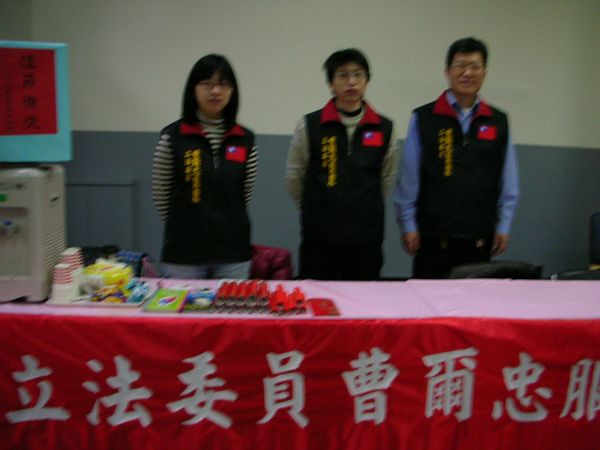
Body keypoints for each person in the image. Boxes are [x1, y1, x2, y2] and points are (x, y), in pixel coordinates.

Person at [394, 37, 520, 279]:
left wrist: (504, 224)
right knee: (428, 300)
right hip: (432, 236)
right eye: (460, 65)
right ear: (447, 71)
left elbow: (509, 180)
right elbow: (408, 179)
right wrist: (408, 224)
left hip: (479, 236)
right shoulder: (424, 118)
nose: (467, 73)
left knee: (473, 301)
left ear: (484, 73)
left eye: (474, 66)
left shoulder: (498, 121)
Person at [286, 48, 398, 280]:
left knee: (363, 298)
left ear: (366, 81)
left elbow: (386, 178)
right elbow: (295, 176)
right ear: (331, 83)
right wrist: (315, 209)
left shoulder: (384, 127)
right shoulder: (309, 125)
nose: (351, 82)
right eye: (343, 75)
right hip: (319, 237)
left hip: (365, 237)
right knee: (316, 296)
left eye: (358, 74)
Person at [152, 54, 258, 279]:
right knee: (183, 304)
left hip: (233, 252)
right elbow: (161, 196)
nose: (216, 91)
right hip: (184, 253)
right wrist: (187, 225)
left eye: (223, 84)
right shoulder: (173, 137)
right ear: (193, 89)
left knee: (232, 304)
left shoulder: (245, 139)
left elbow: (244, 195)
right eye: (207, 83)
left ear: (232, 91)